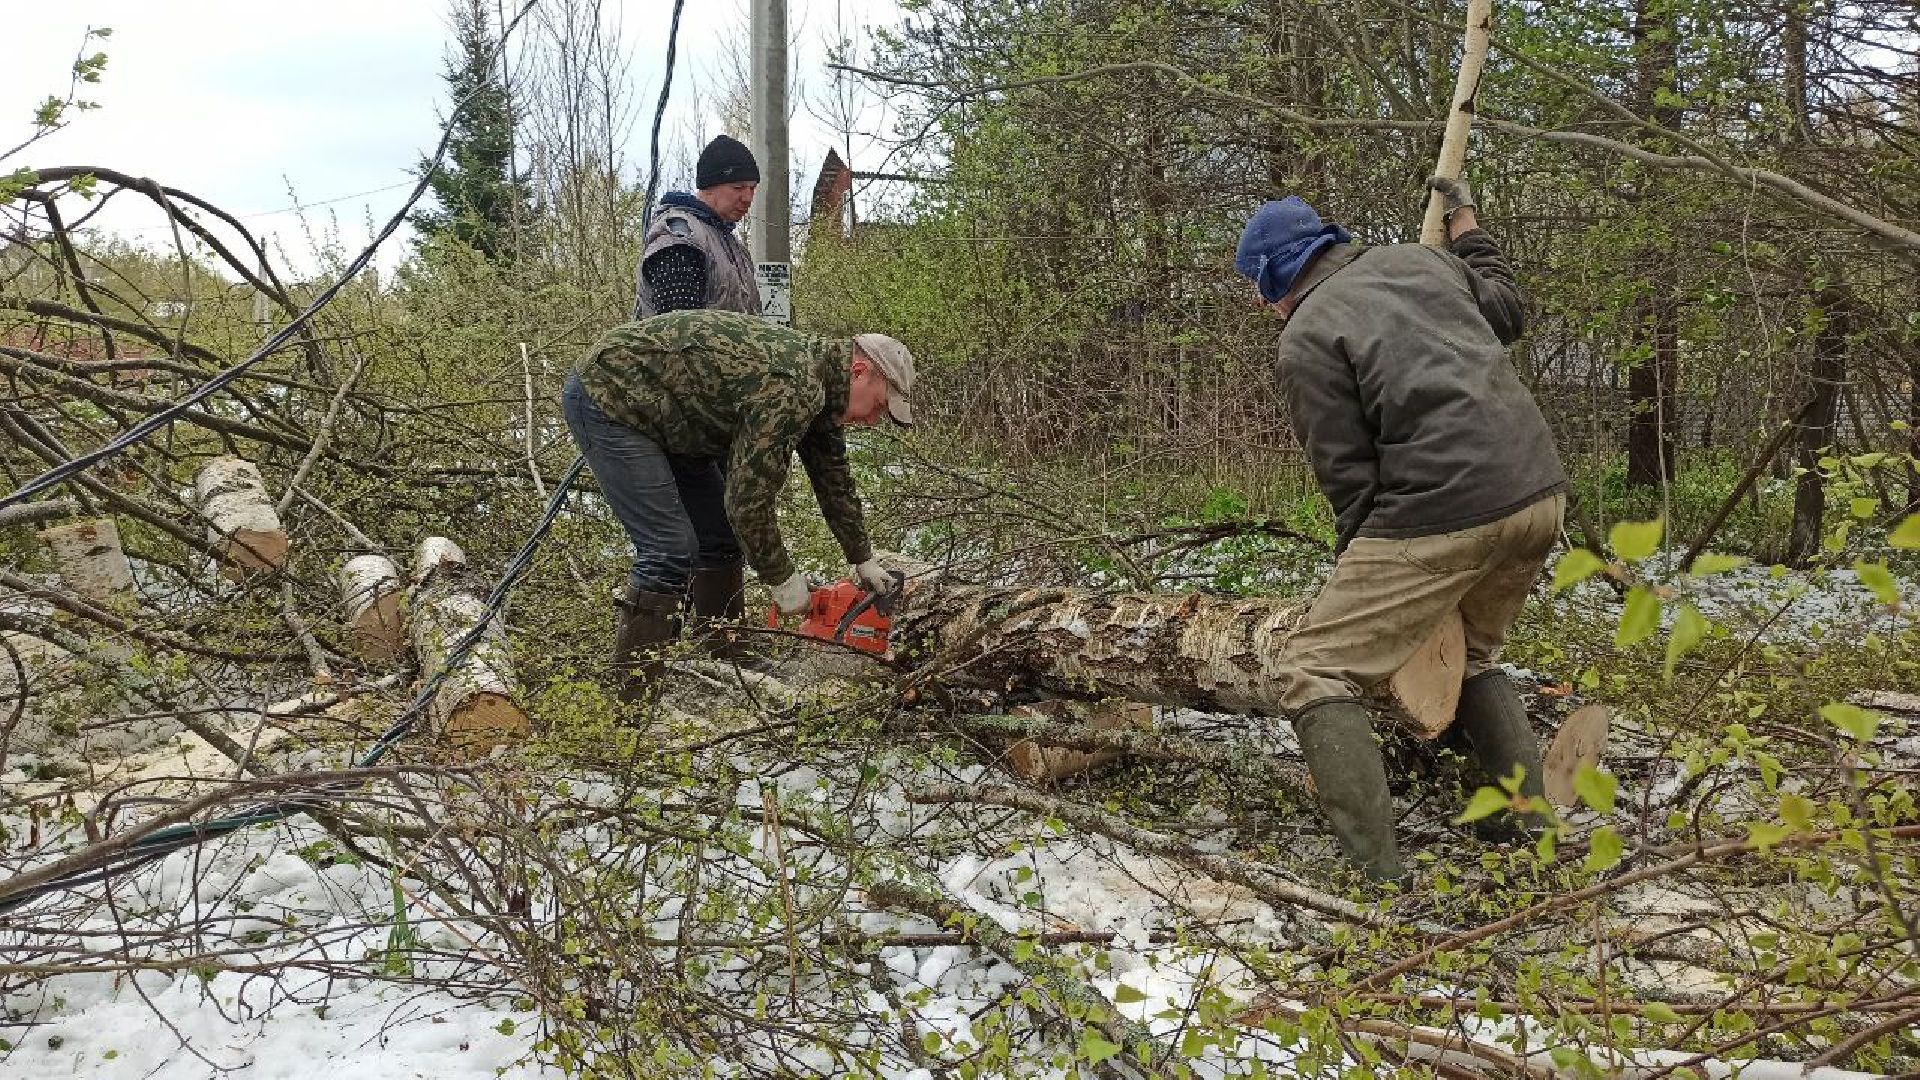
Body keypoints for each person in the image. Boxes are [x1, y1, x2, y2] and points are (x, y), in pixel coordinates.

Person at [1234, 176, 1568, 882]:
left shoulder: (1306, 337)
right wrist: (1467, 228)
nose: (1262, 306)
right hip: (1538, 494)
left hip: (1447, 509)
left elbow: (1348, 476)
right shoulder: (1424, 261)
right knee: (1472, 658)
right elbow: (1509, 311)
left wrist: (1359, 571)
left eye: (1260, 289)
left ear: (1276, 276)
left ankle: (1377, 883)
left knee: (1311, 668)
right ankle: (1529, 832)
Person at [563, 308, 915, 700]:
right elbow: (747, 500)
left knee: (719, 537)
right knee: (669, 550)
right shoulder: (793, 386)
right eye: (879, 406)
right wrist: (782, 578)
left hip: (680, 421)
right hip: (612, 397)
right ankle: (629, 703)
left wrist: (862, 557)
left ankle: (723, 654)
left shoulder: (822, 392)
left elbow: (833, 479)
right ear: (859, 372)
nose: (874, 420)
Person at [633, 135, 763, 319]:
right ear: (709, 187)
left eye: (752, 188)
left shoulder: (734, 247)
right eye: (738, 188)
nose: (748, 198)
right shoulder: (679, 237)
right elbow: (678, 325)